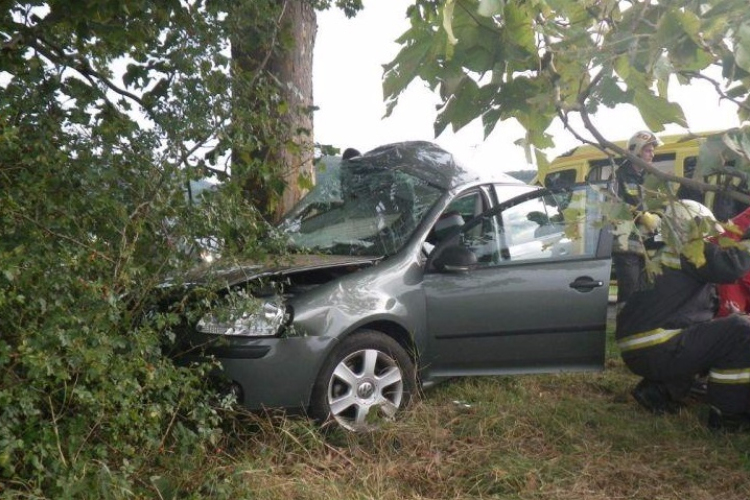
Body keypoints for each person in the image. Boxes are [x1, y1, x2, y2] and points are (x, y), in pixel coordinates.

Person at [616, 200, 750, 431]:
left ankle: (659, 391)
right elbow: (731, 267)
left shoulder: (666, 252)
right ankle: (728, 415)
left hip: (644, 348)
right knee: (741, 331)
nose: (710, 238)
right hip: (657, 347)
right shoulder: (689, 249)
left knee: (713, 333)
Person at [612, 130, 663, 308]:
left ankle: (639, 328)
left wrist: (657, 215)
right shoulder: (619, 175)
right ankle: (624, 327)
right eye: (648, 150)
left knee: (645, 289)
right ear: (637, 150)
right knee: (630, 289)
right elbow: (615, 205)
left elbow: (656, 202)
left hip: (646, 242)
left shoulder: (648, 176)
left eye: (652, 150)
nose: (652, 154)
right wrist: (641, 216)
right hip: (626, 243)